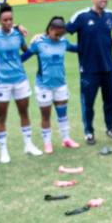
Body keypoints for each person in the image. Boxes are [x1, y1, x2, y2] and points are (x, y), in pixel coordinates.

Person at [66, 0, 112, 145]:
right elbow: (62, 30)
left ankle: (110, 128)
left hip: (108, 67)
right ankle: (89, 132)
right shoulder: (81, 16)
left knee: (110, 101)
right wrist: (41, 36)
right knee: (88, 104)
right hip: (88, 70)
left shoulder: (110, 16)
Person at [0, 2, 33, 161]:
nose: (8, 22)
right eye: (5, 20)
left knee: (24, 112)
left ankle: (28, 144)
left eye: (11, 19)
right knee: (1, 116)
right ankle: (3, 151)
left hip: (20, 80)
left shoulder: (18, 34)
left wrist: (18, 62)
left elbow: (27, 51)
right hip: (2, 82)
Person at [24, 16, 80, 149]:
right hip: (44, 86)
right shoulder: (39, 43)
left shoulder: (63, 42)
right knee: (46, 115)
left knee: (62, 114)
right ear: (50, 29)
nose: (58, 37)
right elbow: (24, 56)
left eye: (61, 34)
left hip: (60, 84)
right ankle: (47, 142)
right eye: (56, 34)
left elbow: (78, 48)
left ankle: (66, 139)